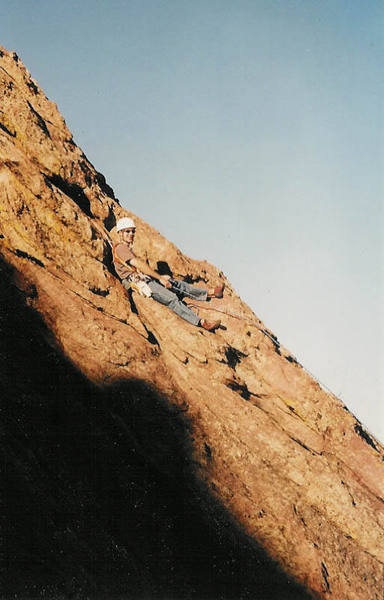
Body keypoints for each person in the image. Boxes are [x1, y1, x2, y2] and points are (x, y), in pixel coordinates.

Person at [113, 217, 223, 331]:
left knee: (177, 284)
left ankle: (210, 293)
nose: (131, 234)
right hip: (138, 283)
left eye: (132, 231)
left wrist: (161, 278)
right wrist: (159, 278)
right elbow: (138, 264)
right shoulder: (120, 248)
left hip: (143, 278)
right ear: (120, 233)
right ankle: (201, 322)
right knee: (171, 298)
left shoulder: (126, 249)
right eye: (127, 231)